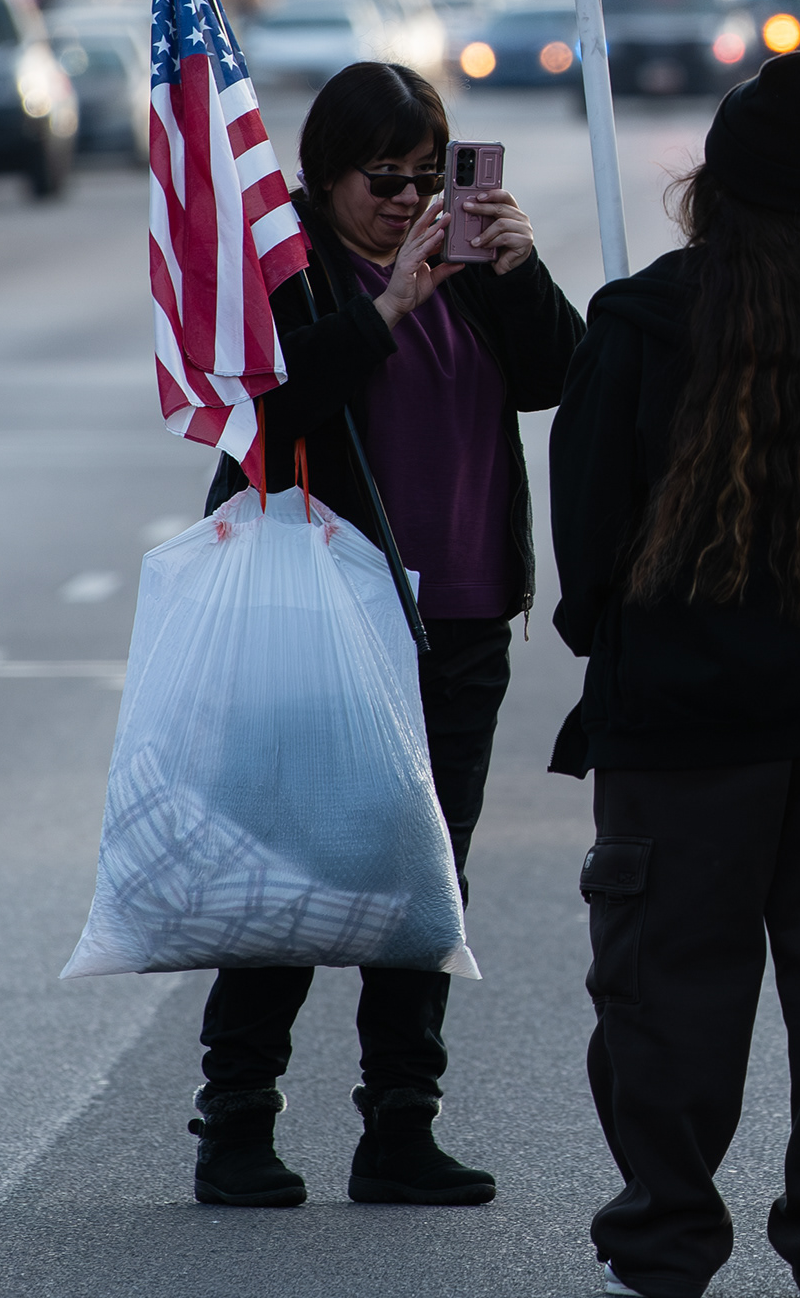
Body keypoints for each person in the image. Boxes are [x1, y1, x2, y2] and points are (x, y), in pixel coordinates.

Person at [546, 57, 800, 1298]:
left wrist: (611, 633)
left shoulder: (639, 324)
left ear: (712, 189)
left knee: (667, 985)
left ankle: (669, 1228)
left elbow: (587, 536)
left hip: (683, 722)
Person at [189, 60, 580, 1210]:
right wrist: (388, 305)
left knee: (427, 878)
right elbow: (263, 408)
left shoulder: (467, 268)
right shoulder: (293, 272)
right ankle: (239, 1119)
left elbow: (558, 374)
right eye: (384, 180)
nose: (409, 202)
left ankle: (402, 1124)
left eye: (427, 177)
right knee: (293, 871)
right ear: (323, 175)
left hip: (459, 615)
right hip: (325, 614)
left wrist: (517, 265)